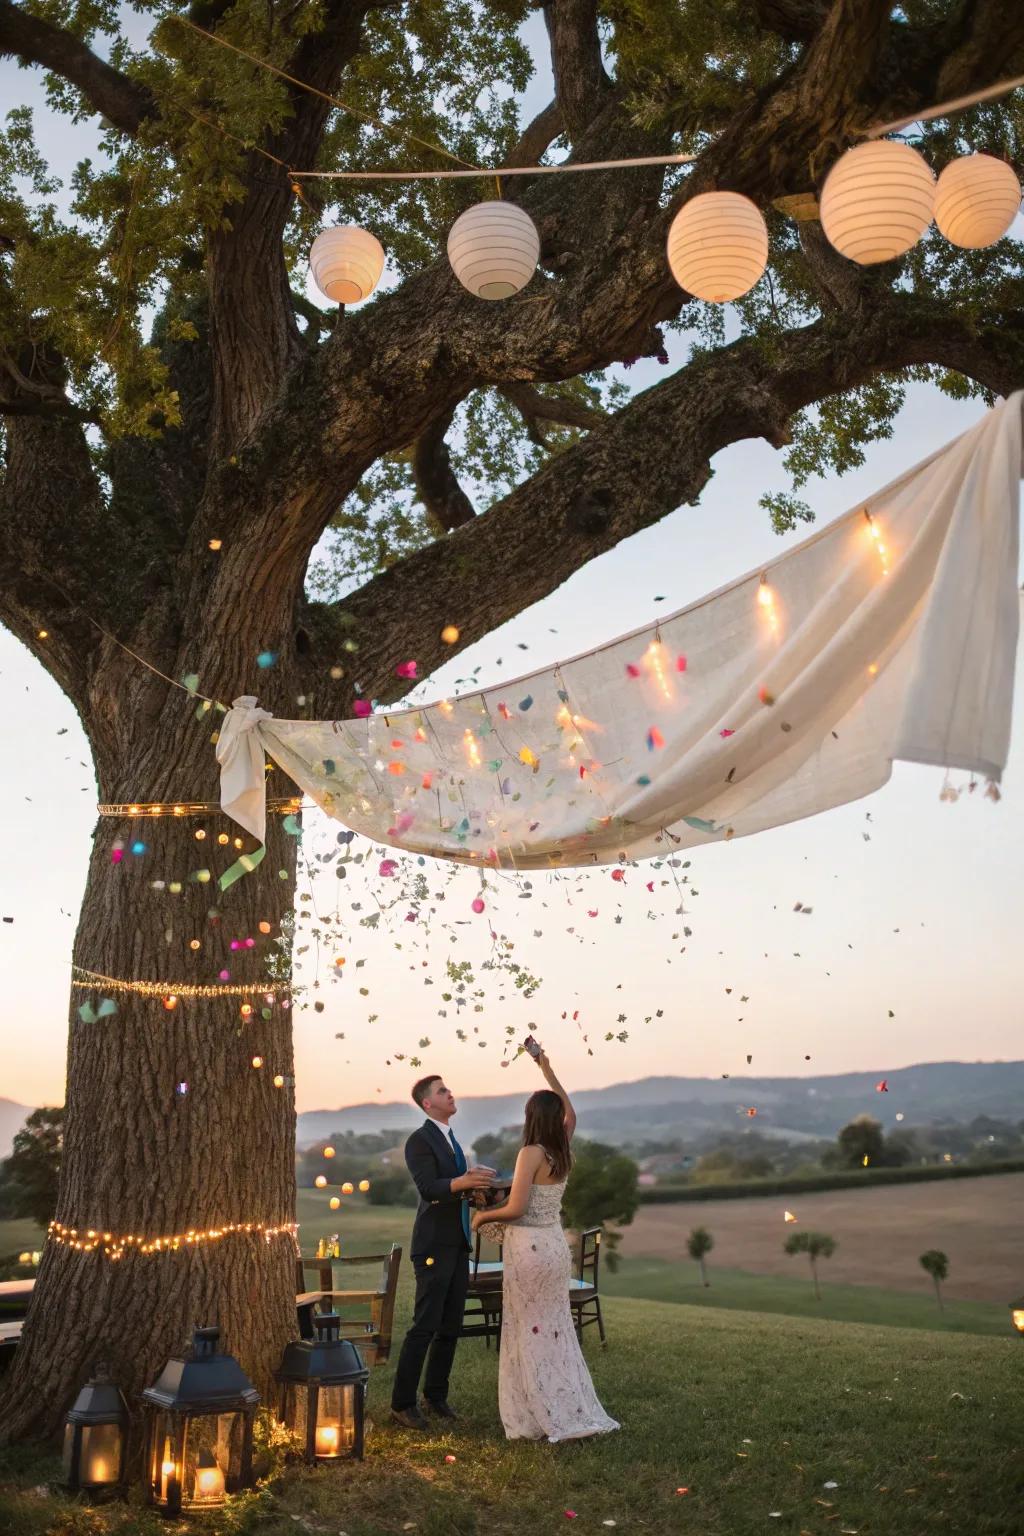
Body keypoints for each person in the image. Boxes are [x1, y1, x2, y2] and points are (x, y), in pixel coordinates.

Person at [472, 1046, 619, 1442]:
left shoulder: (530, 1153)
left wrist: (483, 1215)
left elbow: (516, 1206)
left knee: (526, 1330)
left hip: (528, 1250)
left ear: (530, 1118)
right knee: (555, 1330)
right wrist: (546, 1067)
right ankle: (564, 1405)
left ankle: (540, 1414)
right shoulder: (561, 1150)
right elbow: (573, 1114)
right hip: (554, 1247)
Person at [390, 1073, 494, 1431]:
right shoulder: (419, 1141)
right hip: (433, 1245)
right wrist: (464, 1181)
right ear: (427, 1103)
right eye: (442, 1091)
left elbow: (452, 1191)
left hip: (457, 1245)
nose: (450, 1094)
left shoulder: (451, 1140)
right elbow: (429, 1188)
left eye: (449, 1088)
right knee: (425, 1326)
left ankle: (435, 1397)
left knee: (450, 1326)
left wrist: (475, 1192)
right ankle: (402, 1404)